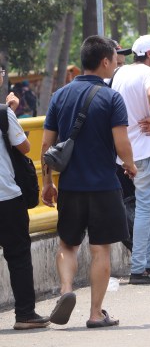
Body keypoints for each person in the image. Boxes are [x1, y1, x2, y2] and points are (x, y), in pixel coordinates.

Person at [41, 36, 138, 328]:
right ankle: (96, 314)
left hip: (70, 185)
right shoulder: (111, 98)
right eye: (114, 59)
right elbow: (121, 143)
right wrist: (131, 166)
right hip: (104, 186)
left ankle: (66, 290)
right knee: (100, 249)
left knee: (68, 244)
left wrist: (47, 183)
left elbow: (47, 146)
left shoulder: (60, 96)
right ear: (105, 61)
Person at [111, 34, 150, 285]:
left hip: (126, 151)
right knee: (147, 207)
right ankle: (139, 269)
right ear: (149, 53)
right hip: (146, 151)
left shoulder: (121, 73)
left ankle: (149, 263)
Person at [0, 69, 50, 330]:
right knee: (18, 255)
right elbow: (24, 147)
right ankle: (25, 314)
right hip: (6, 197)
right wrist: (11, 111)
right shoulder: (3, 113)